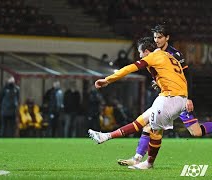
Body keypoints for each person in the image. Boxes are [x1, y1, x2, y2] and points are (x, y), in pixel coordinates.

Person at [88, 37, 190, 170]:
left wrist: (107, 80)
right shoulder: (166, 55)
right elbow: (178, 75)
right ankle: (107, 138)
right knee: (143, 123)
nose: (140, 56)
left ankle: (148, 163)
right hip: (177, 97)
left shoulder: (152, 57)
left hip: (171, 97)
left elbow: (130, 68)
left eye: (140, 53)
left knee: (155, 131)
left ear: (147, 51)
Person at [117, 24, 212, 167]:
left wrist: (189, 97)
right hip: (166, 99)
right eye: (155, 37)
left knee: (196, 132)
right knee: (149, 126)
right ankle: (139, 160)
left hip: (179, 98)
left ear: (167, 38)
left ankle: (143, 161)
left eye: (160, 37)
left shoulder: (175, 54)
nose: (157, 40)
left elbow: (186, 76)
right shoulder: (153, 54)